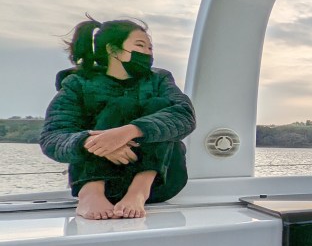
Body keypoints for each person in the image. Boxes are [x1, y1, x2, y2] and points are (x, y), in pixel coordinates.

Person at [40, 16, 196, 219]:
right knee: (121, 106)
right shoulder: (78, 84)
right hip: (103, 181)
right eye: (140, 46)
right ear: (113, 50)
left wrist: (129, 132)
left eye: (150, 48)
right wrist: (94, 143)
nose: (148, 53)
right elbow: (53, 136)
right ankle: (91, 191)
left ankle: (138, 191)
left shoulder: (160, 80)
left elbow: (184, 114)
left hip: (159, 183)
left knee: (160, 106)